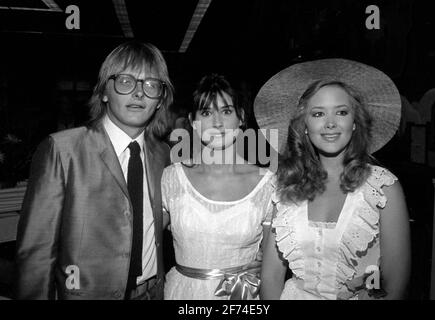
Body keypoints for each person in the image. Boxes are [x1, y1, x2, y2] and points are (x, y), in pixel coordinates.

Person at [14, 41, 174, 300]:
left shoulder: (163, 155)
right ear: (104, 92)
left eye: (151, 85)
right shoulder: (63, 150)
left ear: (159, 101)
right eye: (125, 81)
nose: (138, 93)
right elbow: (37, 254)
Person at [256, 59, 411, 300]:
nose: (330, 123)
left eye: (341, 112)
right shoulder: (286, 185)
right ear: (304, 125)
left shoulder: (383, 188)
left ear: (355, 122)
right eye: (318, 114)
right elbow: (271, 277)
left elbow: (394, 284)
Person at [162, 74, 274, 300]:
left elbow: (276, 265)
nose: (217, 123)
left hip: (240, 296)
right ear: (193, 121)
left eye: (226, 111)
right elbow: (144, 238)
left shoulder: (268, 183)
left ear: (241, 117)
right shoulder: (172, 177)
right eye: (206, 113)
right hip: (182, 294)